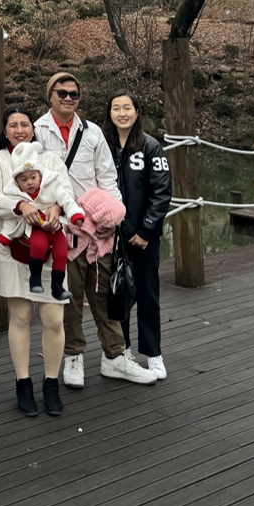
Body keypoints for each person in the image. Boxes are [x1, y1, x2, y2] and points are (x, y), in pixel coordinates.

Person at [34, 72, 156, 388]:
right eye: (62, 93)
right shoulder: (37, 132)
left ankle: (115, 355)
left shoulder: (92, 133)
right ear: (50, 95)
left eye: (74, 94)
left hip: (98, 229)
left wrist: (112, 220)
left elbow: (107, 178)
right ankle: (73, 354)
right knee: (70, 296)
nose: (68, 99)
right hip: (61, 229)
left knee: (105, 294)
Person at [0, 105, 72, 417]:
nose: (20, 130)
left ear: (33, 128)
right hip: (13, 248)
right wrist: (21, 205)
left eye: (25, 124)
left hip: (50, 242)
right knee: (19, 317)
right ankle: (23, 383)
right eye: (13, 125)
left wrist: (57, 207)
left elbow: (65, 190)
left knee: (53, 320)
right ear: (4, 130)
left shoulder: (49, 158)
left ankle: (51, 383)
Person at [103, 90, 172, 380]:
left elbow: (162, 192)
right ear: (109, 113)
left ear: (137, 111)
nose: (122, 113)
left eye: (127, 108)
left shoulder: (150, 147)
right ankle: (122, 350)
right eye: (116, 108)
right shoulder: (103, 146)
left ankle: (153, 353)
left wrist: (146, 230)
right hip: (111, 236)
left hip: (143, 237)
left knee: (147, 294)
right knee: (118, 294)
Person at [0, 140, 82, 299]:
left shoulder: (52, 186)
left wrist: (75, 214)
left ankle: (57, 287)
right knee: (38, 245)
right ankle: (34, 279)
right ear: (17, 183)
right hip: (37, 228)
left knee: (62, 254)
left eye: (33, 177)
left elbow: (67, 200)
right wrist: (6, 235)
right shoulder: (17, 195)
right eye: (24, 180)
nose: (29, 182)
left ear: (41, 175)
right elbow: (12, 219)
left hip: (55, 229)